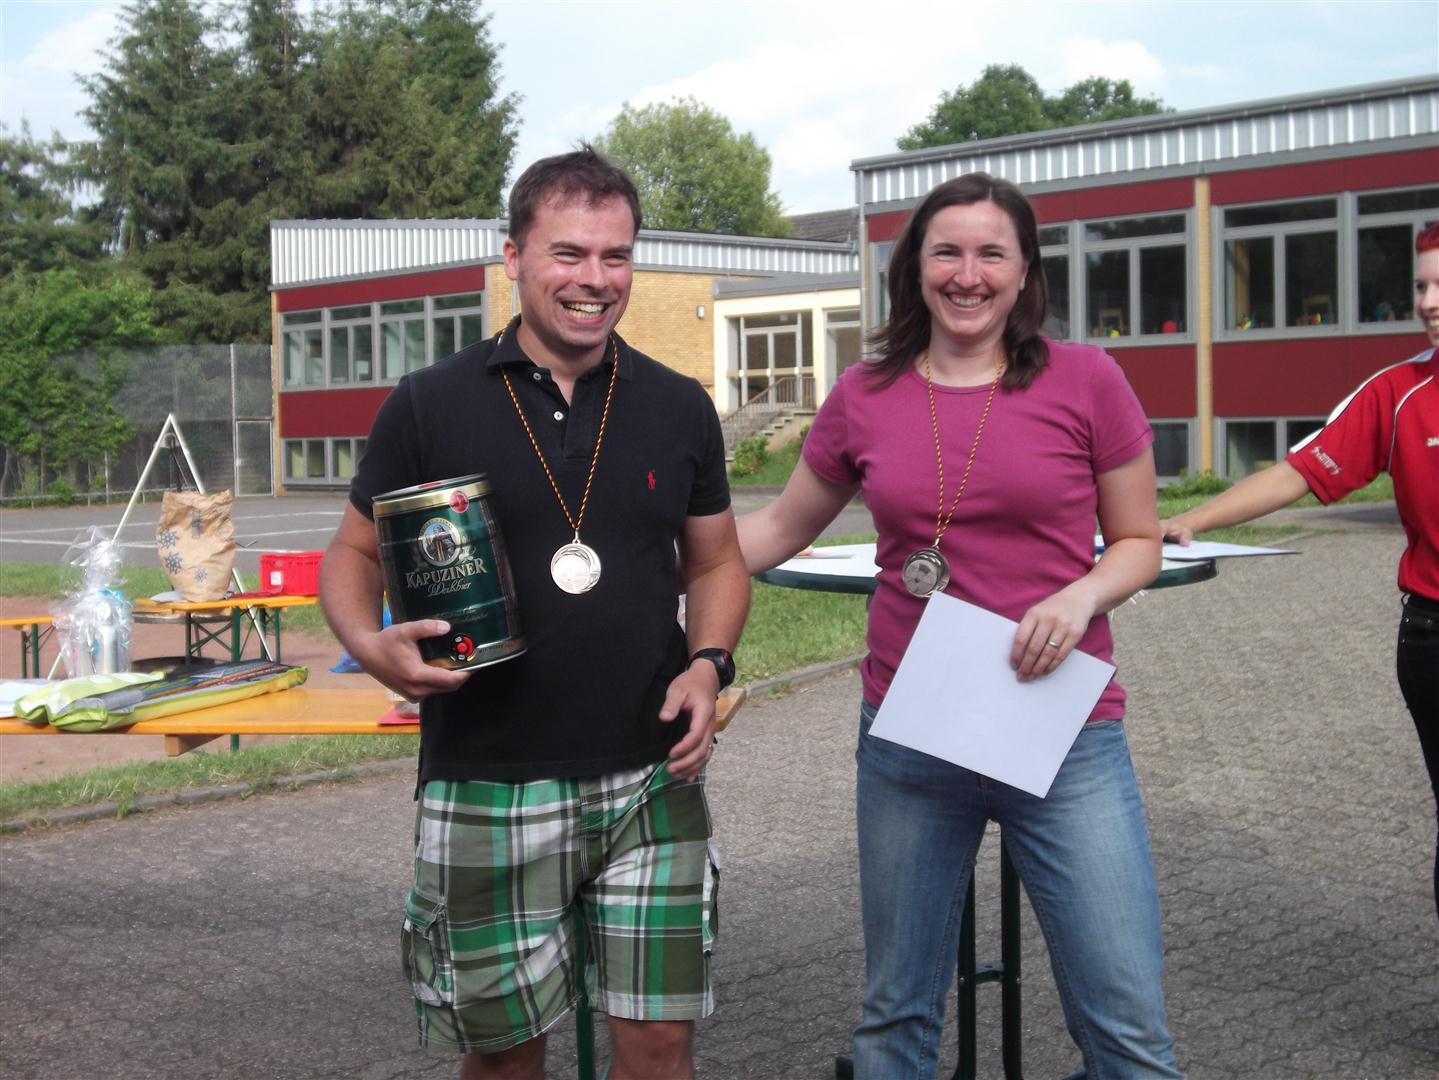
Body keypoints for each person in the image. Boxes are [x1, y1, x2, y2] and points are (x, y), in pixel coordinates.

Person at [319, 147, 750, 1080]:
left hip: (650, 778)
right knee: (504, 1058)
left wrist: (708, 663)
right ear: (512, 256)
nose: (595, 279)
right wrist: (367, 641)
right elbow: (351, 556)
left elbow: (717, 560)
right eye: (569, 253)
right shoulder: (428, 404)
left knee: (661, 1048)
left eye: (615, 256)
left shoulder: (678, 405)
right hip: (488, 776)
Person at [738, 173, 1181, 1079]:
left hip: (1062, 732)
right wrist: (641, 568)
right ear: (914, 268)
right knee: (895, 1018)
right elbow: (778, 528)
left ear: (1024, 272)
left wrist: (1080, 597)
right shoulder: (864, 393)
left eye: (990, 254)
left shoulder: (1086, 380)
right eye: (946, 252)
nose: (966, 275)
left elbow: (1138, 542)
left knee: (1127, 1029)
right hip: (911, 733)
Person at [1162, 221, 1439, 923]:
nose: (1428, 302)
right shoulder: (1398, 391)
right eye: (1420, 286)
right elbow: (1297, 472)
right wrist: (1193, 518)